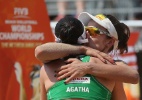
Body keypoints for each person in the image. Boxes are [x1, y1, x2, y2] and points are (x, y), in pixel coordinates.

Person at [36, 13, 139, 99]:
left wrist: (87, 67)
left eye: (93, 31)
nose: (86, 34)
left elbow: (134, 76)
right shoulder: (65, 56)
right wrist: (83, 49)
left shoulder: (112, 68)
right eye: (85, 30)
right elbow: (40, 51)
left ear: (109, 42)